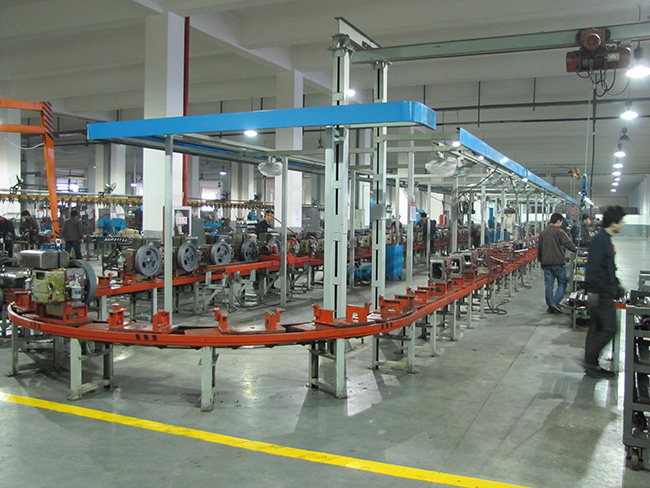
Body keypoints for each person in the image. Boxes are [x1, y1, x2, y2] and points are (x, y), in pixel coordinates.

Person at [583, 206, 626, 379]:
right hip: (601, 293)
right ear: (613, 222)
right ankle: (589, 362)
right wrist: (593, 292)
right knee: (608, 329)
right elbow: (593, 267)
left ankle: (591, 365)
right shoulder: (600, 240)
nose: (623, 224)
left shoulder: (605, 239)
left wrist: (616, 284)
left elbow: (606, 267)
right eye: (621, 221)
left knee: (597, 329)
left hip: (605, 290)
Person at [538, 212, 577, 314]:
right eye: (561, 222)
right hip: (557, 262)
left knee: (549, 285)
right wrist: (576, 250)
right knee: (562, 283)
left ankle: (551, 306)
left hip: (546, 263)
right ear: (558, 221)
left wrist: (541, 261)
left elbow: (540, 249)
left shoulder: (543, 233)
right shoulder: (559, 232)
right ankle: (555, 303)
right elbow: (568, 243)